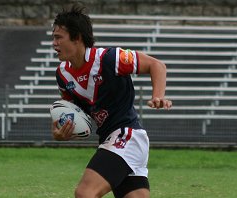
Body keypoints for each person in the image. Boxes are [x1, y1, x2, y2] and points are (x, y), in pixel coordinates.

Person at [51, 3, 172, 198]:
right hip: (112, 140)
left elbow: (156, 65)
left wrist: (158, 96)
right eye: (53, 38)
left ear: (77, 38)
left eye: (58, 37)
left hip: (127, 136)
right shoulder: (63, 75)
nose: (54, 43)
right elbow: (71, 114)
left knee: (85, 193)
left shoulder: (109, 58)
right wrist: (61, 132)